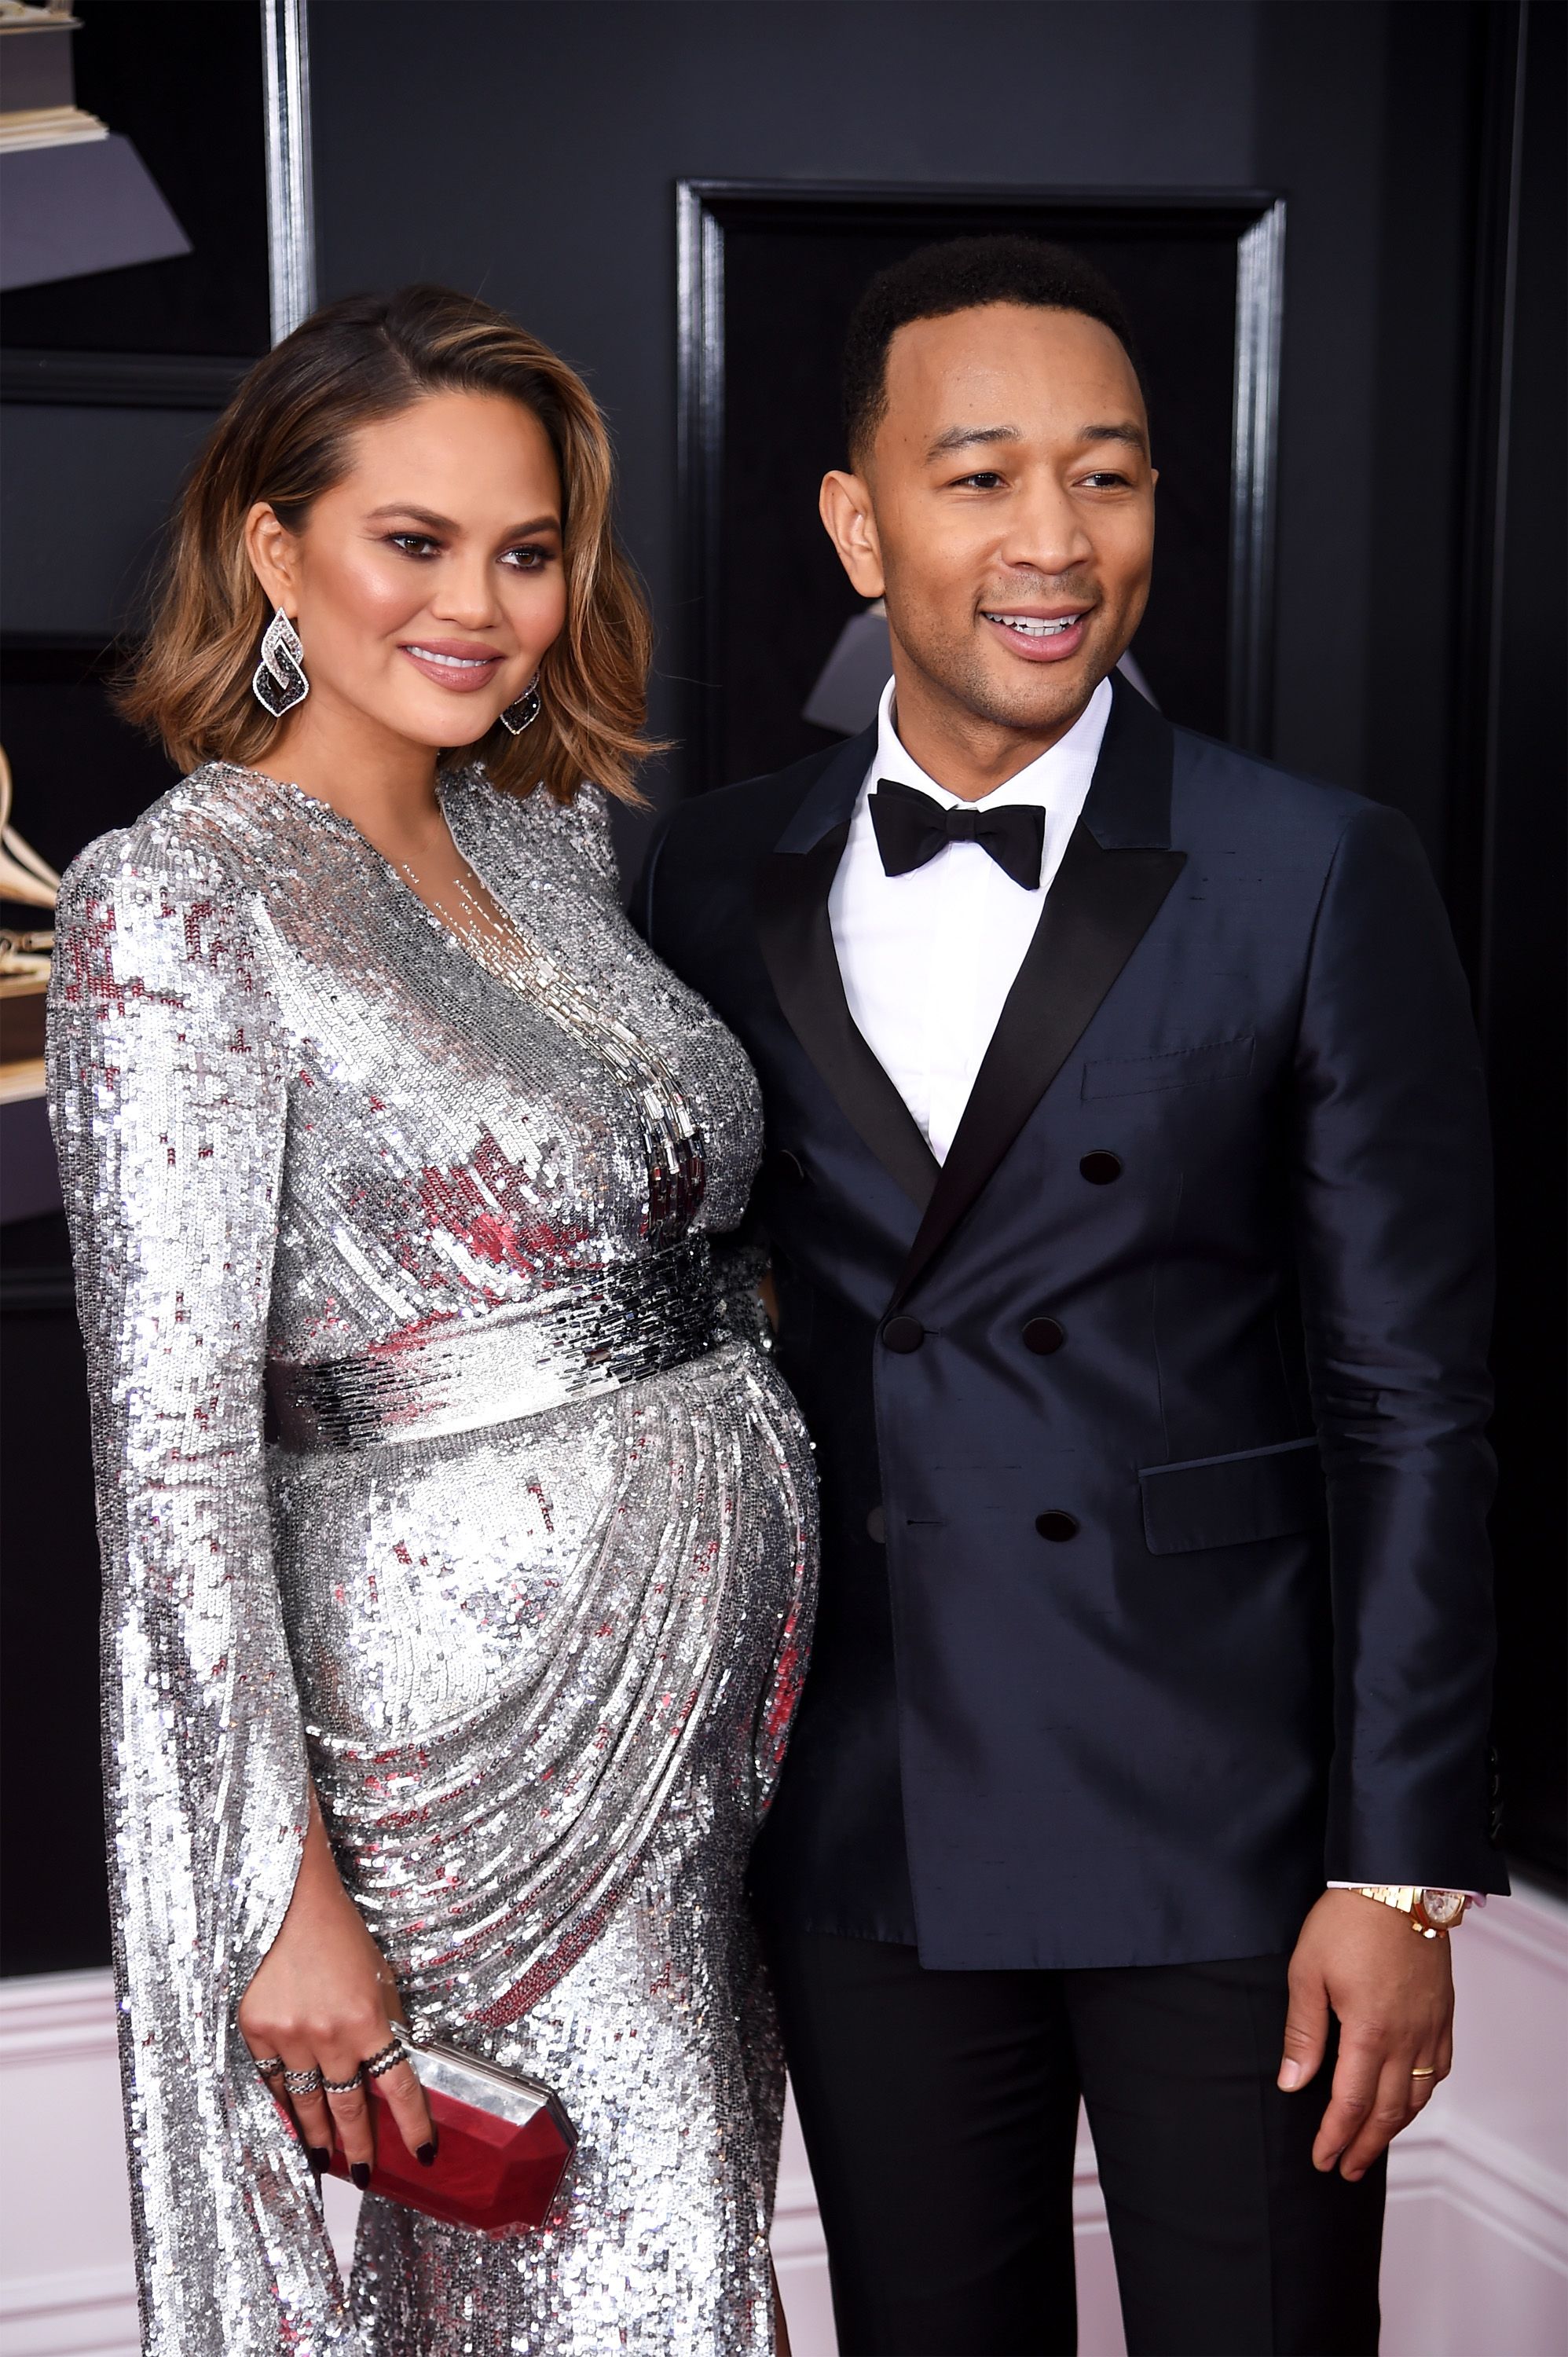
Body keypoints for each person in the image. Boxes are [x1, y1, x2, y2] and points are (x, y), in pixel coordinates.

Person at [633, 236, 1506, 2357]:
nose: (1053, 543)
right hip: (870, 1805)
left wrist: (1396, 1873)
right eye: (980, 476)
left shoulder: (1312, 863)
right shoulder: (705, 872)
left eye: (1106, 479)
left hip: (1232, 1826)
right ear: (857, 521)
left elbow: (1419, 1398)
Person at [48, 285, 815, 2357]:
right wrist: (280, 1895)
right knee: (596, 2274)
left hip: (679, 1732)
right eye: (415, 540)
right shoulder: (184, 897)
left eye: (527, 547)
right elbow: (176, 1462)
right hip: (431, 1780)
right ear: (276, 550)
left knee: (670, 2246)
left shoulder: (545, 841)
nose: (480, 603)